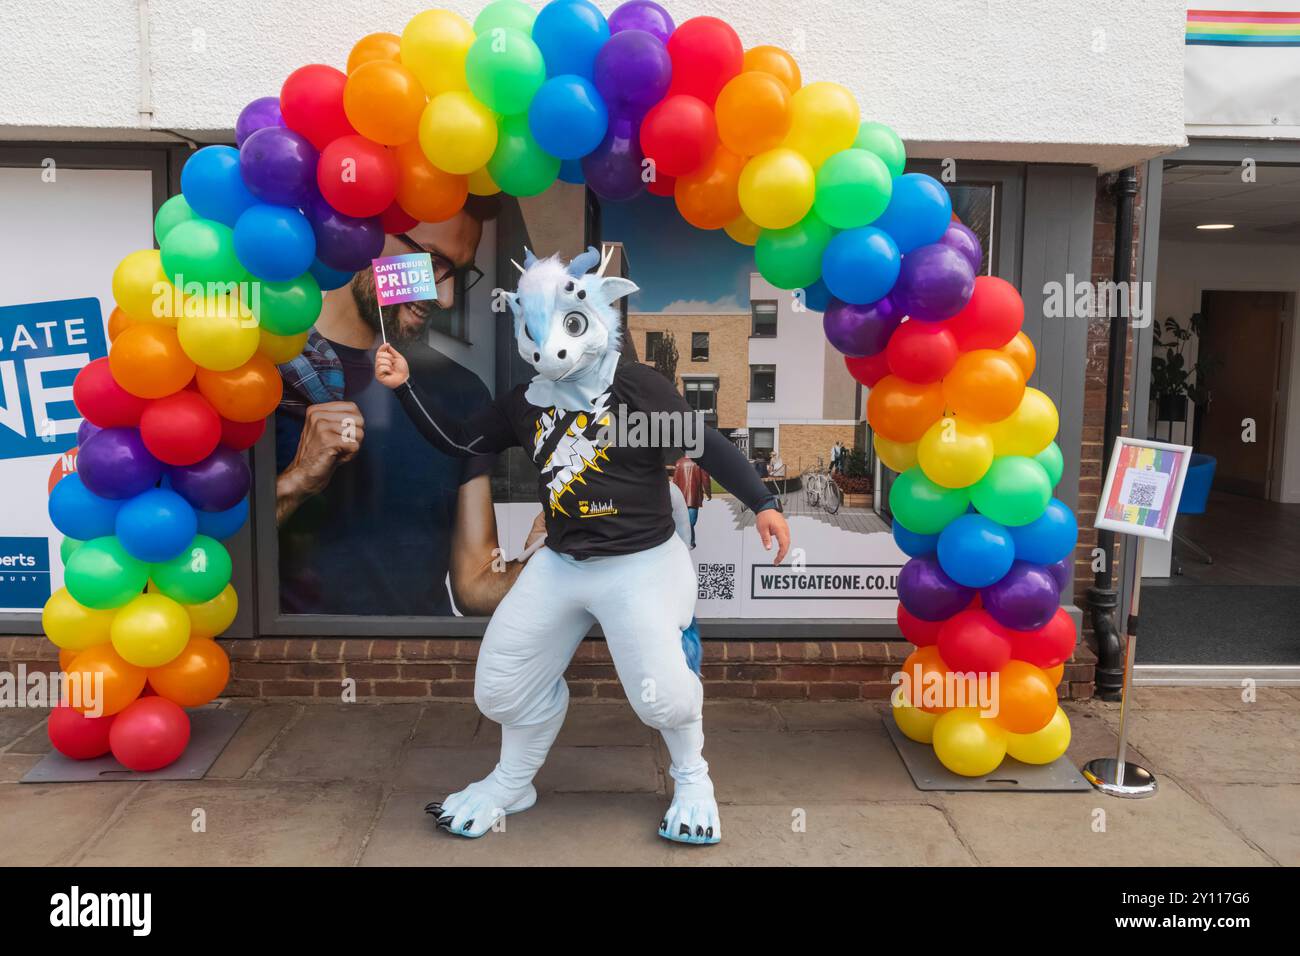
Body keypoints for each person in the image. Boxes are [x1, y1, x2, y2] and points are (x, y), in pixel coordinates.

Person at [376, 246, 791, 845]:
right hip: (563, 562)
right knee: (500, 687)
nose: (548, 347)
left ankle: (693, 776)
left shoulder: (637, 388)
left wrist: (765, 503)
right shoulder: (526, 401)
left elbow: (703, 444)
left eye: (567, 324)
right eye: (533, 329)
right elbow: (461, 443)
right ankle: (513, 781)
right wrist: (405, 385)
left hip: (642, 564)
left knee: (663, 699)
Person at [275, 195, 542, 616]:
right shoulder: (263, 374)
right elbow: (207, 564)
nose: (447, 297)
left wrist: (547, 558)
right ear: (366, 237)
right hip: (295, 669)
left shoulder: (459, 392)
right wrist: (295, 481)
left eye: (458, 274)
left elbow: (475, 587)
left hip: (417, 669)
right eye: (433, 263)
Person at [670, 454, 711, 548]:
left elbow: (675, 480)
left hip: (681, 497)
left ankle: (685, 542)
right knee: (691, 522)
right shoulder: (699, 463)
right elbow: (705, 479)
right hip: (693, 497)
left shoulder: (679, 462)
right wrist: (708, 493)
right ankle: (690, 542)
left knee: (683, 521)